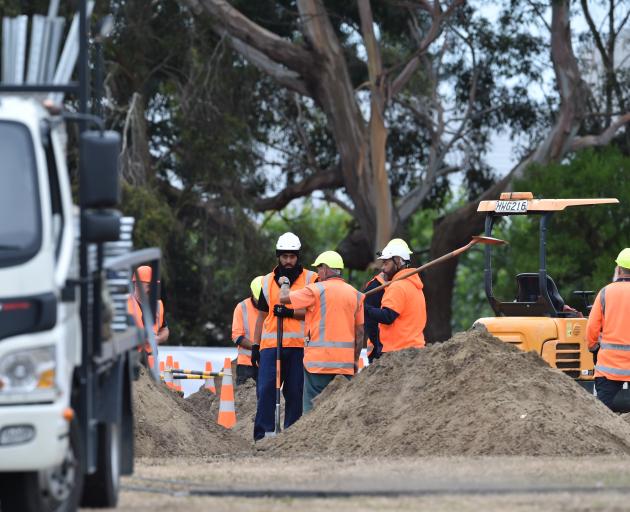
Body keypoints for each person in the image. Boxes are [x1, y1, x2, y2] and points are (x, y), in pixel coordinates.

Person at [251, 232, 317, 440]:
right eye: (285, 256)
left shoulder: (311, 279)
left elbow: (313, 313)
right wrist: (255, 345)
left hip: (299, 346)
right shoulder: (266, 282)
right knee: (266, 390)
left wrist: (289, 312)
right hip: (271, 346)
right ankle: (263, 436)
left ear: (298, 256)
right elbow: (261, 316)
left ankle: (292, 435)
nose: (289, 261)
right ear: (278, 256)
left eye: (292, 256)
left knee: (295, 392)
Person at [279, 251, 364, 412]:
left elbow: (283, 298)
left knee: (312, 412)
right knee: (340, 411)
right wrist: (354, 360)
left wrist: (284, 283)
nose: (318, 273)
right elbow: (360, 333)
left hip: (318, 364)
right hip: (344, 365)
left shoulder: (315, 290)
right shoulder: (356, 295)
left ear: (325, 269)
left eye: (319, 269)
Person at [586, 248, 630, 410]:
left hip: (609, 368)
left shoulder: (605, 293)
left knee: (601, 415)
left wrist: (593, 348)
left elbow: (592, 327)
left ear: (618, 269)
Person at [364, 241, 426, 352]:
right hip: (416, 350)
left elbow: (387, 316)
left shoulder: (398, 286)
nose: (383, 268)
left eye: (386, 263)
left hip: (396, 352)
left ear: (398, 260)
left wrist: (363, 307)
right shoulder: (415, 285)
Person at [127, 265, 169, 355]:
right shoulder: (125, 305)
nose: (152, 289)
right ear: (137, 284)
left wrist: (158, 339)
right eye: (149, 285)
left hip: (152, 363)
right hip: (133, 362)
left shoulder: (158, 305)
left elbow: (165, 330)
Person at [231, 276, 263, 385]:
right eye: (259, 299)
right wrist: (256, 347)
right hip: (246, 365)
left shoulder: (273, 308)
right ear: (252, 293)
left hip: (267, 363)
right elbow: (237, 336)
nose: (262, 303)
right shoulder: (242, 307)